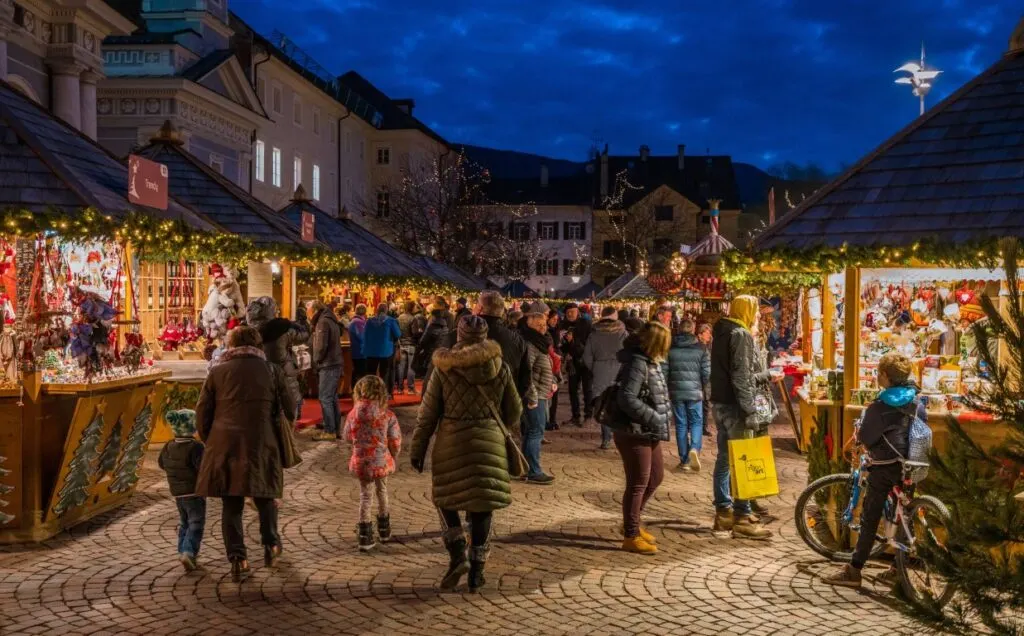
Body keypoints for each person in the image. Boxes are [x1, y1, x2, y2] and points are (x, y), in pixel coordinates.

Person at [411, 315, 523, 592]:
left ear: (458, 335)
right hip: (489, 442)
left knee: (447, 498)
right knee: (482, 505)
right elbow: (514, 410)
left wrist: (418, 449)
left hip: (452, 441)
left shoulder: (443, 368)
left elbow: (427, 414)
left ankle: (458, 553)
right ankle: (478, 572)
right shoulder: (500, 367)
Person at [195, 326, 294, 582]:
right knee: (265, 495)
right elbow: (290, 407)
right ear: (257, 344)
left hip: (225, 441)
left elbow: (202, 412)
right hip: (263, 440)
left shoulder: (217, 372)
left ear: (230, 344)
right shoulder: (272, 370)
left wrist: (212, 438)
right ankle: (271, 544)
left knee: (232, 502)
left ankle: (238, 559)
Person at [825, 353, 925, 588]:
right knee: (905, 511)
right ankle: (897, 568)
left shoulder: (879, 406)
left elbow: (867, 439)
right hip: (912, 464)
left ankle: (854, 569)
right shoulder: (917, 401)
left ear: (886, 377)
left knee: (870, 515)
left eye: (879, 373)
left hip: (885, 465)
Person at [709, 295, 774, 540]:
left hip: (720, 403)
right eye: (756, 311)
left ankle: (723, 511)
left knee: (724, 458)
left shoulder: (723, 331)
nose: (758, 315)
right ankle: (742, 516)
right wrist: (750, 411)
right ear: (747, 311)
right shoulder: (741, 335)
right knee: (744, 460)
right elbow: (742, 377)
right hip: (736, 407)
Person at [607, 322, 671, 554]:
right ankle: (630, 534)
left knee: (656, 477)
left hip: (647, 429)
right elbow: (627, 397)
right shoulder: (637, 363)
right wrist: (653, 416)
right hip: (634, 430)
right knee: (638, 482)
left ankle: (631, 523)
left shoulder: (648, 362)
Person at [343, 375, 402, 551]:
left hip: (362, 462)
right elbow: (395, 440)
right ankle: (384, 528)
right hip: (380, 461)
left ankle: (364, 534)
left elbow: (347, 436)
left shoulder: (353, 414)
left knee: (365, 495)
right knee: (382, 491)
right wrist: (393, 454)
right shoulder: (387, 415)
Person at [246, 296, 309, 424]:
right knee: (289, 404)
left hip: (259, 373)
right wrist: (302, 324)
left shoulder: (248, 331)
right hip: (283, 370)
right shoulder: (281, 329)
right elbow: (303, 336)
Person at [158, 409, 205, 572]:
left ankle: (182, 551)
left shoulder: (168, 446)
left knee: (184, 522)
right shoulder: (196, 447)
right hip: (194, 492)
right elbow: (203, 468)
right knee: (196, 523)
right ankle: (188, 551)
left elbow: (161, 464)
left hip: (177, 493)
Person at [666, 319, 710, 471]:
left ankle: (684, 459)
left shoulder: (670, 348)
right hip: (695, 391)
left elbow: (665, 371)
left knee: (681, 424)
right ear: (692, 331)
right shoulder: (701, 349)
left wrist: (668, 386)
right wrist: (702, 386)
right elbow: (706, 372)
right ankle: (695, 449)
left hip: (676, 391)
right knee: (696, 422)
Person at [520, 302, 557, 484]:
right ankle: (533, 470)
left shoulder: (539, 342)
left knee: (531, 432)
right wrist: (533, 396)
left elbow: (544, 367)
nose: (544, 328)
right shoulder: (531, 344)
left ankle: (526, 468)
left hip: (542, 391)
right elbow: (527, 373)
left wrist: (553, 381)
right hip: (535, 396)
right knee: (536, 431)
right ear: (532, 324)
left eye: (545, 325)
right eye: (540, 325)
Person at [583, 306, 627, 449]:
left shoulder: (593, 334)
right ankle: (619, 436)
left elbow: (587, 356)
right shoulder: (623, 333)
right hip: (619, 369)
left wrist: (595, 368)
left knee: (602, 404)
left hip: (600, 371)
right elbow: (628, 353)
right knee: (618, 403)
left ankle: (606, 438)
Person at [311, 301, 344, 442]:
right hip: (335, 362)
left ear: (314, 310)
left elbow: (320, 346)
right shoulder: (331, 319)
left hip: (328, 363)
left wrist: (316, 360)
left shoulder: (323, 322)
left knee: (325, 397)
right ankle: (335, 427)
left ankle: (329, 430)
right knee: (332, 397)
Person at [559, 303, 593, 427]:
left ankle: (588, 416)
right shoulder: (563, 325)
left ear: (577, 311)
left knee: (587, 390)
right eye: (568, 312)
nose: (570, 314)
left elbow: (588, 344)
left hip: (585, 362)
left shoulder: (585, 323)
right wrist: (565, 351)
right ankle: (575, 416)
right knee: (572, 390)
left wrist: (573, 341)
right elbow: (561, 343)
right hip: (572, 363)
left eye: (572, 312)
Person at [362, 303, 401, 397]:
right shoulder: (391, 321)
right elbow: (398, 334)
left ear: (377, 310)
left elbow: (365, 335)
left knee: (370, 374)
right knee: (385, 374)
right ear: (386, 310)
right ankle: (384, 393)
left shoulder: (369, 321)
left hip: (371, 351)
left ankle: (369, 393)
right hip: (386, 351)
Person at [413, 305, 449, 390]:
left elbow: (424, 339)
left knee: (429, 373)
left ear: (433, 316)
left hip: (432, 351)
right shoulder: (445, 326)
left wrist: (419, 347)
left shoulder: (432, 326)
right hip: (442, 351)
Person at [395, 301, 421, 395]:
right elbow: (414, 333)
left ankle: (400, 388)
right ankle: (410, 388)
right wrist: (419, 332)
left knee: (401, 367)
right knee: (411, 367)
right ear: (411, 308)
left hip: (401, 344)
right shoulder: (413, 319)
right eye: (415, 307)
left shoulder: (399, 318)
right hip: (411, 344)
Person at [545, 309, 563, 431]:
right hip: (550, 365)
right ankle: (547, 420)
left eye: (557, 320)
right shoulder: (546, 333)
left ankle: (552, 419)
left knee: (554, 394)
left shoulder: (556, 331)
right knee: (548, 395)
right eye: (553, 319)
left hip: (555, 365)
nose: (555, 322)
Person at [696, 323, 713, 436]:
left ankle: (703, 427)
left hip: (705, 379)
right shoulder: (699, 347)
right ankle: (701, 427)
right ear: (700, 335)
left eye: (709, 333)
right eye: (707, 333)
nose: (709, 335)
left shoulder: (708, 346)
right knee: (703, 404)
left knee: (705, 404)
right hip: (701, 380)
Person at [349, 304, 368, 383]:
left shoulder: (355, 321)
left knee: (357, 372)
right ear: (364, 312)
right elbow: (362, 337)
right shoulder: (358, 322)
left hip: (357, 351)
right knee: (360, 374)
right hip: (360, 352)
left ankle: (356, 391)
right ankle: (357, 391)